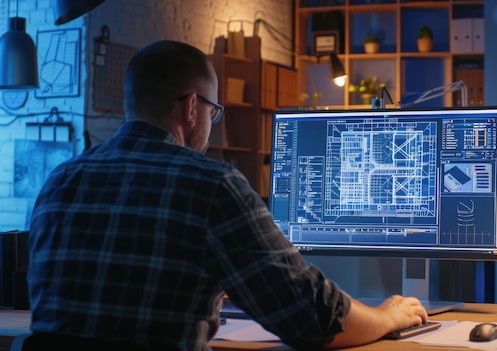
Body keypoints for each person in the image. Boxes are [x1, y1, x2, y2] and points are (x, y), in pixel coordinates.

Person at [26, 40, 428, 351]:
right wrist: (387, 316)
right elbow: (312, 318)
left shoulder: (59, 182)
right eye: (213, 112)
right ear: (190, 107)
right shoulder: (212, 185)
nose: (212, 123)